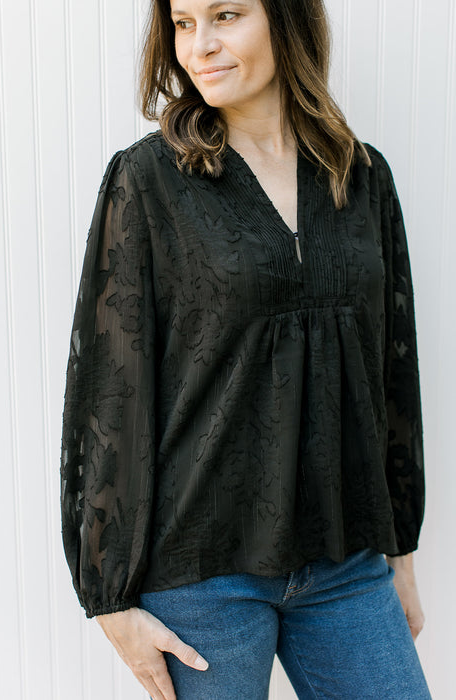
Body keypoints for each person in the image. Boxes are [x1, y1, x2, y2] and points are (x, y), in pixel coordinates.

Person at [60, 0, 432, 698]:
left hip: (346, 559)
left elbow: (391, 367)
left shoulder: (362, 176)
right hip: (202, 573)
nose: (200, 45)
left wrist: (400, 549)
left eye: (226, 15)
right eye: (183, 23)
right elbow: (110, 388)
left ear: (287, 20)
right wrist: (108, 596)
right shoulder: (147, 182)